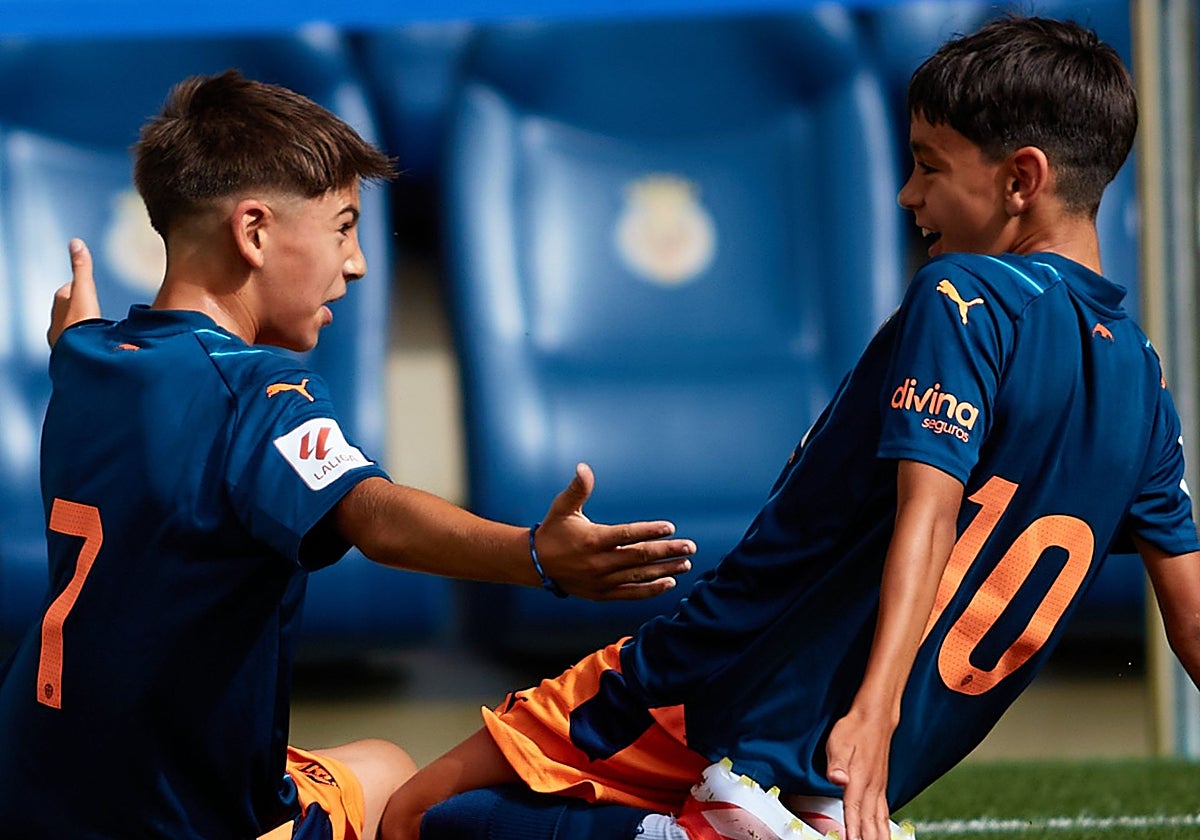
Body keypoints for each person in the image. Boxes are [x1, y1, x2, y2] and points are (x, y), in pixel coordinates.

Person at [377, 15, 1200, 840]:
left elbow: (930, 514)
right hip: (839, 760)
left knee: (417, 814)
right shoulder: (1143, 381)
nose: (908, 195)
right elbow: (1191, 621)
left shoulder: (965, 298)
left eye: (929, 165)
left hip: (714, 680)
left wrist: (874, 710)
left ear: (1022, 178)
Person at [0, 69, 696, 840]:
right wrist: (534, 555)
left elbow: (84, 345)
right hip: (177, 822)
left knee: (373, 763)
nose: (358, 262)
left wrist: (75, 338)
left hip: (34, 793)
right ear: (254, 232)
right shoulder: (256, 390)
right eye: (343, 227)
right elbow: (374, 515)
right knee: (405, 792)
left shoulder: (90, 359)